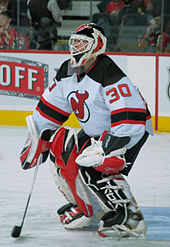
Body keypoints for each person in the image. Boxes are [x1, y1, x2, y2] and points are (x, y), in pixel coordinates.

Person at [20, 23, 153, 238]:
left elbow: (130, 111)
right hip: (97, 130)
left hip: (128, 131)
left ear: (96, 46)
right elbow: (52, 106)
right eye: (74, 42)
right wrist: (38, 137)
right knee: (62, 152)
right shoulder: (67, 70)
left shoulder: (107, 72)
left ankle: (129, 217)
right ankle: (89, 206)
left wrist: (113, 145)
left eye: (83, 42)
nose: (76, 47)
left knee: (94, 166)